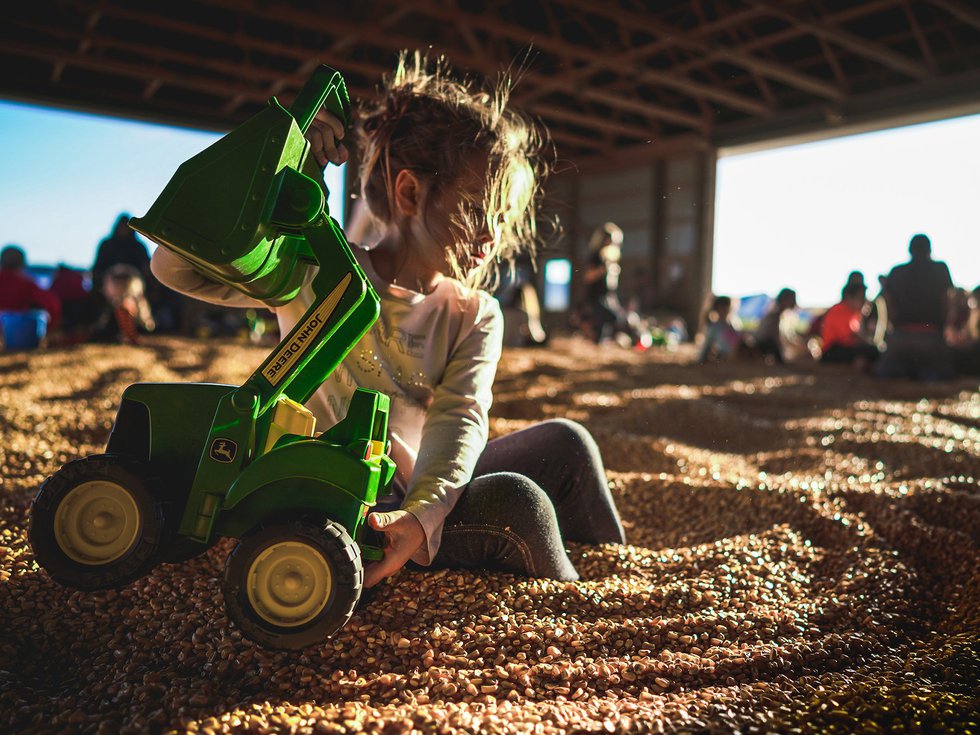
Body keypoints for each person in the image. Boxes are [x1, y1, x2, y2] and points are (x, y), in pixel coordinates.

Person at [152, 52, 625, 586]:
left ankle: (623, 584)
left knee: (567, 443)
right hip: (344, 502)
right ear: (409, 192)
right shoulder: (317, 267)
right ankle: (571, 604)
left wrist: (422, 515)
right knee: (519, 501)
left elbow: (459, 418)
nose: (492, 236)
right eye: (476, 210)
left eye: (502, 218)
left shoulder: (473, 313)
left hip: (417, 493)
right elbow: (176, 265)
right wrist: (274, 168)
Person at [875, 234, 955, 381]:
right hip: (931, 338)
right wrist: (944, 330)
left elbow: (888, 303)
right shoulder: (940, 269)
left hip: (900, 338)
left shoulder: (896, 272)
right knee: (939, 373)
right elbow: (947, 302)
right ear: (930, 251)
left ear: (909, 251)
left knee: (890, 372)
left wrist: (892, 332)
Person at [578, 222, 644, 347]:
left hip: (608, 294)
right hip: (596, 295)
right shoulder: (596, 257)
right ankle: (598, 340)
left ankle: (601, 342)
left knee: (611, 319)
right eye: (610, 240)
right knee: (610, 317)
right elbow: (587, 277)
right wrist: (603, 269)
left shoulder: (610, 257)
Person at [90, 264, 156, 345]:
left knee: (125, 305)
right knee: (126, 304)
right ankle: (131, 334)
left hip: (120, 277)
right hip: (128, 276)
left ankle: (131, 334)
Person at [0, 244, 61, 329]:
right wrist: (48, 327)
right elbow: (52, 304)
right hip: (16, 333)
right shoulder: (25, 284)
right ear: (22, 264)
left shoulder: (25, 284)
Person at [819, 283, 879, 370]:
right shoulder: (839, 310)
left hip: (844, 348)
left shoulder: (854, 313)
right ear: (849, 298)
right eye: (861, 298)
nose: (865, 301)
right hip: (832, 350)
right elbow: (847, 337)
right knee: (869, 351)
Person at [91, 214, 151, 294]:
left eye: (126, 227)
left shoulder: (138, 247)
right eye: (122, 226)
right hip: (109, 283)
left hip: (135, 285)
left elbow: (146, 268)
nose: (124, 229)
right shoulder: (107, 245)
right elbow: (98, 267)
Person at [752, 287, 797, 363]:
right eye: (792, 299)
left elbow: (788, 338)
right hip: (766, 349)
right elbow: (777, 339)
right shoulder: (775, 317)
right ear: (785, 300)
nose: (794, 302)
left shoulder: (780, 316)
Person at [696, 295, 744, 363]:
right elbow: (706, 346)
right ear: (717, 309)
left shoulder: (734, 324)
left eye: (727, 307)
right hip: (725, 355)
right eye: (723, 308)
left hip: (738, 353)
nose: (726, 310)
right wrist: (700, 359)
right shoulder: (714, 328)